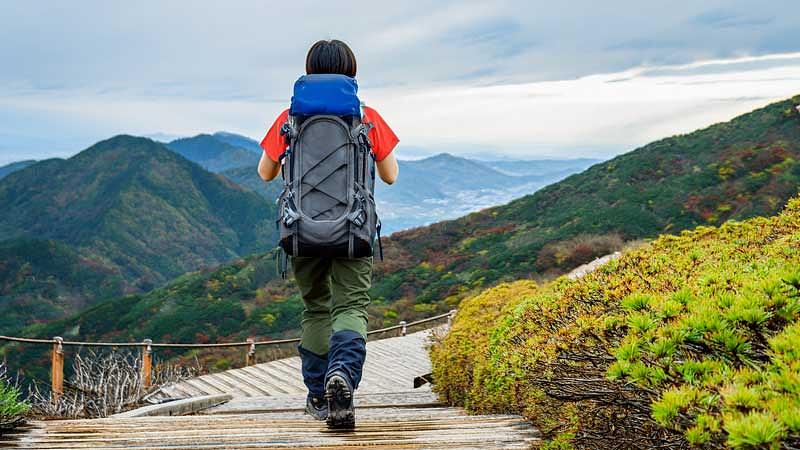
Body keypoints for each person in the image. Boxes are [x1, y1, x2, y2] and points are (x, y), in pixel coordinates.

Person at [257, 39, 399, 428]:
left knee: (316, 308)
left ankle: (319, 394)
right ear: (351, 71)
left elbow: (264, 172)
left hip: (301, 230)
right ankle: (343, 376)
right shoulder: (367, 117)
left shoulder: (290, 117)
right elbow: (390, 175)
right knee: (350, 307)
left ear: (309, 69)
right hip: (353, 231)